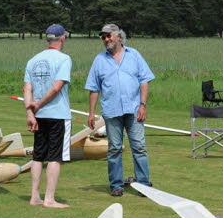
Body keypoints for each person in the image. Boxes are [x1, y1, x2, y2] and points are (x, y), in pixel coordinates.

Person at [86, 23, 155, 197]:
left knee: (139, 147)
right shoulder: (99, 60)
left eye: (109, 35)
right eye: (103, 37)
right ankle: (116, 185)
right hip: (111, 110)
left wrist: (143, 105)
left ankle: (144, 184)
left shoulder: (134, 55)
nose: (106, 39)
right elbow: (94, 88)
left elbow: (144, 80)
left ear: (119, 36)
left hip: (134, 109)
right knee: (114, 148)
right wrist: (91, 113)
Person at [22, 23, 72, 208]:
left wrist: (30, 112)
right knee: (55, 156)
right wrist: (39, 104)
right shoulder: (64, 59)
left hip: (38, 115)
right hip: (57, 114)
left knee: (38, 155)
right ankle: (49, 199)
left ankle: (34, 196)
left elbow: (27, 88)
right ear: (62, 38)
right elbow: (57, 87)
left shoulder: (33, 60)